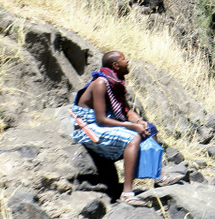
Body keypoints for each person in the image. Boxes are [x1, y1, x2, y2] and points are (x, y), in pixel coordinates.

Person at [70, 50, 177, 204]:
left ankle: (156, 176)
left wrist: (139, 122)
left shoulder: (115, 83)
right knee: (133, 138)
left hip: (105, 123)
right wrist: (133, 127)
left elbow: (126, 111)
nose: (127, 62)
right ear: (115, 65)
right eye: (124, 60)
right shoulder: (100, 83)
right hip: (89, 128)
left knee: (150, 130)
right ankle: (127, 193)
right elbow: (100, 120)